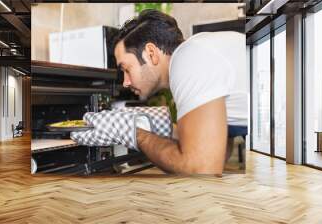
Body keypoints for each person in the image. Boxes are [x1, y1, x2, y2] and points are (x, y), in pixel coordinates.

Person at [73, 9, 248, 175]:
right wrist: (156, 126)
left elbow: (201, 168)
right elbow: (217, 151)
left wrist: (133, 133)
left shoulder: (189, 58)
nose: (125, 82)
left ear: (150, 53)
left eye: (126, 69)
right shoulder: (198, 51)